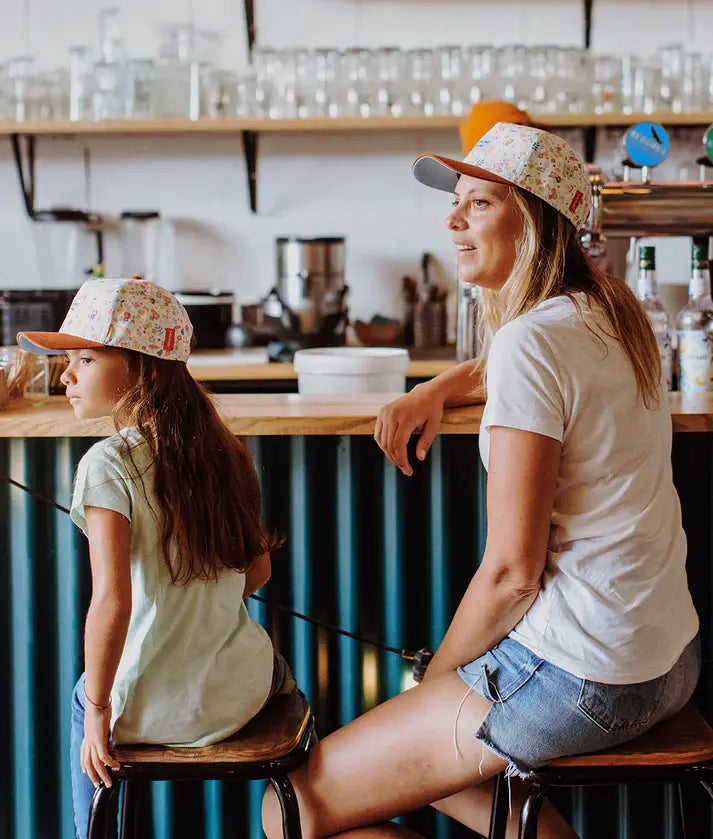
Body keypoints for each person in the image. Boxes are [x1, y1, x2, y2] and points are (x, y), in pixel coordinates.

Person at [262, 123, 701, 839]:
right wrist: (435, 387)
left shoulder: (533, 340)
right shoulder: (613, 314)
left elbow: (511, 575)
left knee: (287, 808)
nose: (452, 220)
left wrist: (437, 683)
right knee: (431, 755)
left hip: (579, 674)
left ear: (531, 221)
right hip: (664, 660)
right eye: (456, 201)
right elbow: (511, 362)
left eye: (479, 204)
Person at [18, 278, 295, 839]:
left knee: (83, 700)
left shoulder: (107, 462)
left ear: (140, 365)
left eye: (85, 359)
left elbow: (112, 605)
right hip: (234, 700)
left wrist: (98, 710)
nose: (66, 375)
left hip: (141, 714)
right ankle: (302, 811)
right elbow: (258, 572)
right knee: (278, 672)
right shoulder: (226, 448)